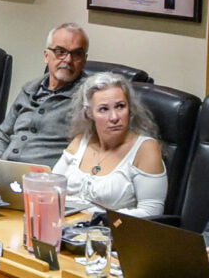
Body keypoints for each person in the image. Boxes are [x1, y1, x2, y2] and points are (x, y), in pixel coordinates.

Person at [50, 73, 167, 217]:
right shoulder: (81, 141)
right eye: (103, 109)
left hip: (109, 233)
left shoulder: (145, 148)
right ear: (89, 113)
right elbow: (50, 187)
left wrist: (98, 218)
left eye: (120, 106)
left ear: (130, 108)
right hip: (63, 225)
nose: (114, 117)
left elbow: (151, 212)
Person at [0, 23, 91, 165]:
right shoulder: (29, 89)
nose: (68, 60)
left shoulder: (89, 97)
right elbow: (2, 135)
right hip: (4, 171)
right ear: (46, 56)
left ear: (84, 60)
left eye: (77, 54)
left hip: (44, 179)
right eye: (61, 51)